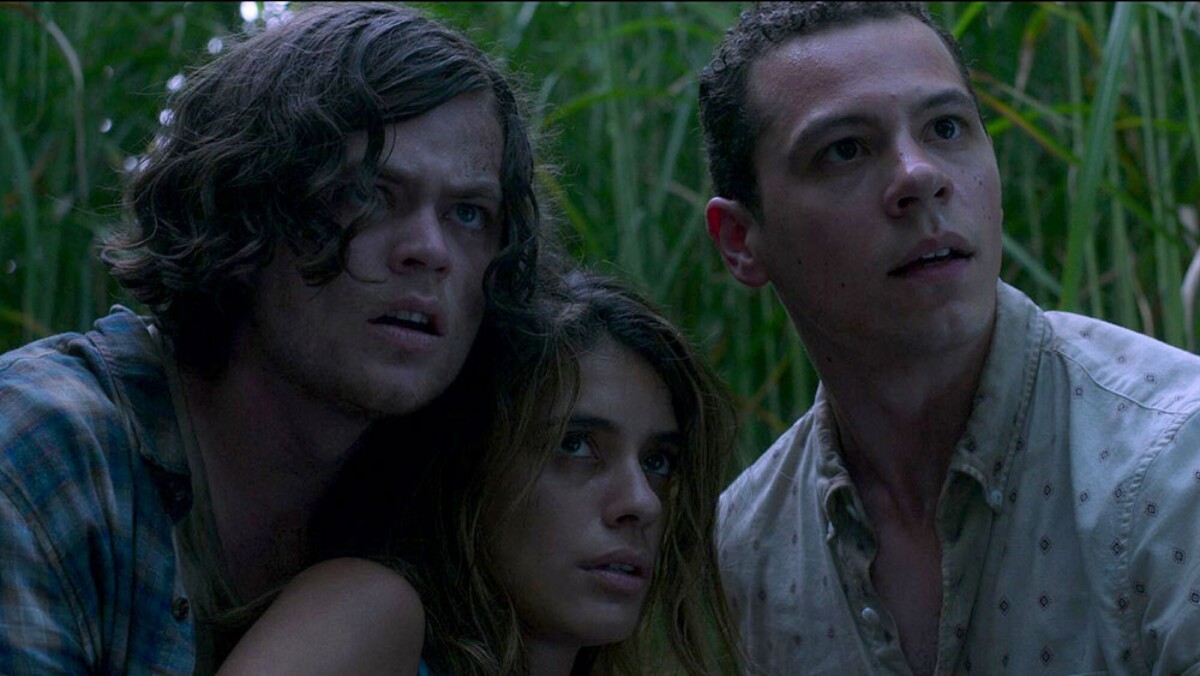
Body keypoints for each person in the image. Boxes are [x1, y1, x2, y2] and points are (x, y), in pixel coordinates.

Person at [0, 3, 541, 672]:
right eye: (368, 192)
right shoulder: (47, 448)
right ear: (247, 202)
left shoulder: (446, 514)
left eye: (468, 213)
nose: (429, 250)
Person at [700, 2, 1200, 674]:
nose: (918, 175)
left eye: (945, 128)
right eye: (844, 149)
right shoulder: (744, 551)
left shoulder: (1174, 466)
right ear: (741, 242)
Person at [215, 271, 743, 675]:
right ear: (472, 462)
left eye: (658, 462)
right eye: (575, 445)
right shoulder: (370, 608)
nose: (643, 502)